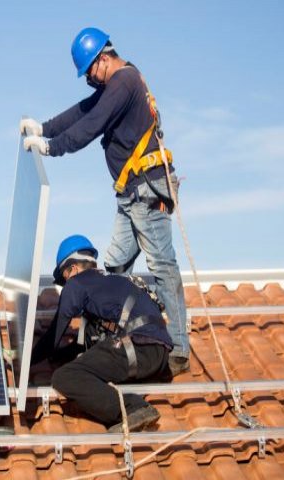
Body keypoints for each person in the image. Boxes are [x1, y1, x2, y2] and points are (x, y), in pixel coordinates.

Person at [20, 27, 189, 375]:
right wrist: (44, 128)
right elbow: (83, 111)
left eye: (89, 73)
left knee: (162, 266)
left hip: (147, 192)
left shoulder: (124, 82)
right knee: (113, 269)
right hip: (130, 196)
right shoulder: (115, 85)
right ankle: (107, 338)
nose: (89, 82)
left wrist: (52, 147)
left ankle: (178, 347)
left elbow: (92, 124)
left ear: (103, 59)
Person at [31, 235, 173, 431]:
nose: (66, 285)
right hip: (157, 354)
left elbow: (55, 333)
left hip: (139, 347)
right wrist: (60, 355)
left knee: (65, 377)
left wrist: (25, 360)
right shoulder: (112, 284)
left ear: (72, 269)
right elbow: (86, 345)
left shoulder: (77, 283)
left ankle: (133, 408)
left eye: (64, 278)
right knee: (82, 364)